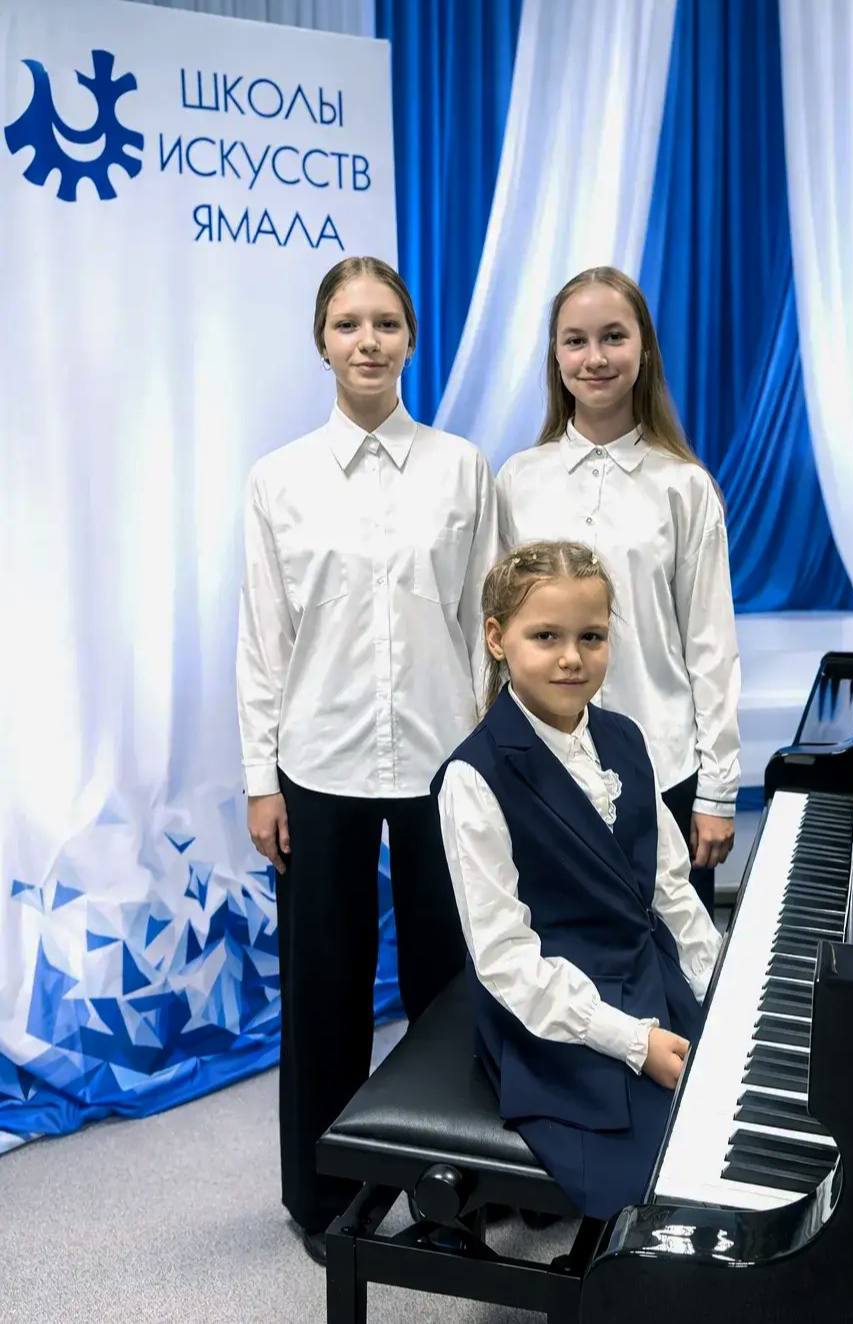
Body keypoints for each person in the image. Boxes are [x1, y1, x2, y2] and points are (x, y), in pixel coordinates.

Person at [237, 256, 498, 1263]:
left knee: (450, 985)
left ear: (411, 338)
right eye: (348, 323)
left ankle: (452, 1190)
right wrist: (260, 778)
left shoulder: (462, 469)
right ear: (322, 341)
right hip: (317, 761)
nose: (368, 341)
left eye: (386, 322)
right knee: (324, 990)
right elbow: (263, 640)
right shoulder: (279, 479)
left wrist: (495, 760)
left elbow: (487, 626)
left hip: (444, 760)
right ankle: (324, 1197)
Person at [431, 541, 722, 1219]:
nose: (572, 658)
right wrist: (633, 1042)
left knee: (728, 1101)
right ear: (498, 639)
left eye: (591, 637)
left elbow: (669, 886)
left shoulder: (625, 738)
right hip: (550, 1008)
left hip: (642, 966)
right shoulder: (473, 778)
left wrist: (715, 982)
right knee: (663, 1181)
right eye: (546, 637)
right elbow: (504, 960)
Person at [497, 267, 740, 913]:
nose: (595, 357)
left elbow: (712, 646)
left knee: (673, 958)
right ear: (555, 357)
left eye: (613, 336)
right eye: (575, 340)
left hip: (662, 767)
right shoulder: (517, 480)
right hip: (543, 774)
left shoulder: (685, 487)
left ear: (644, 349)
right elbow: (495, 640)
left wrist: (718, 790)